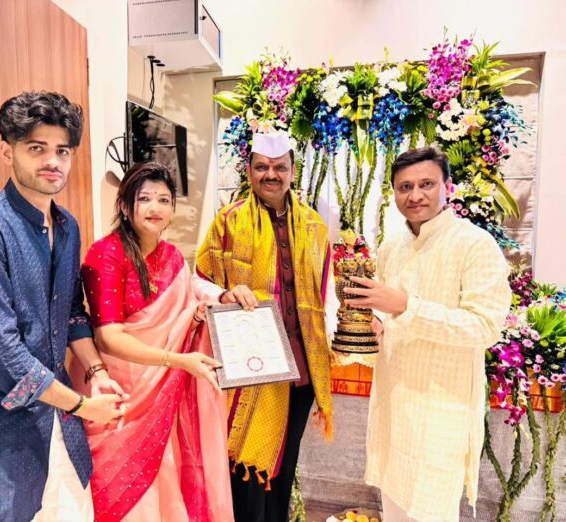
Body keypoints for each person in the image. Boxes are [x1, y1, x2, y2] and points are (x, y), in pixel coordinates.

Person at [0, 91, 127, 522]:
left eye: (62, 150)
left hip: (61, 429)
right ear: (7, 152)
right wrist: (82, 406)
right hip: (0, 438)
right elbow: (4, 357)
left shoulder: (66, 226)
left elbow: (72, 312)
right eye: (36, 148)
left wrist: (97, 373)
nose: (52, 161)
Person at [344, 147, 511, 521]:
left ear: (447, 187)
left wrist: (406, 306)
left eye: (426, 184)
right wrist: (377, 323)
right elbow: (386, 312)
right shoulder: (392, 246)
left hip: (440, 413)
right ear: (394, 192)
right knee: (394, 509)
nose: (415, 195)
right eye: (405, 187)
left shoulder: (474, 244)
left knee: (431, 510)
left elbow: (485, 327)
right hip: (393, 409)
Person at [71, 162, 234, 521]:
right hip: (119, 392)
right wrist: (179, 361)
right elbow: (108, 337)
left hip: (162, 391)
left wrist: (221, 297)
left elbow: (191, 291)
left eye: (164, 199)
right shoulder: (106, 254)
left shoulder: (172, 256)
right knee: (121, 489)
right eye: (145, 199)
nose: (155, 207)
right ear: (125, 206)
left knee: (165, 480)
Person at [195, 132, 337, 522]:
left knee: (283, 467)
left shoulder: (313, 226)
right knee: (244, 469)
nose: (270, 175)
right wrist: (225, 293)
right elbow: (201, 280)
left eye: (279, 167)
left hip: (301, 370)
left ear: (292, 171)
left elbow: (326, 293)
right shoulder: (228, 221)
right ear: (249, 171)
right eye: (261, 167)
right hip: (249, 369)